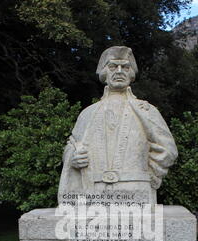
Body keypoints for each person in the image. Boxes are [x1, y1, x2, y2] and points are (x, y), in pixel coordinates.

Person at [58, 46, 178, 203]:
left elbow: (168, 150)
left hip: (136, 191)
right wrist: (73, 158)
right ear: (104, 73)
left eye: (125, 67)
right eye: (113, 66)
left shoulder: (147, 110)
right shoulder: (87, 113)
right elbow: (72, 145)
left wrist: (150, 175)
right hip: (94, 192)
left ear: (131, 74)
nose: (120, 71)